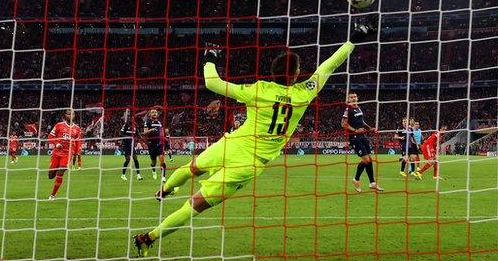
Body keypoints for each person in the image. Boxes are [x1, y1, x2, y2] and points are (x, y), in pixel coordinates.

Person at [132, 15, 380, 257]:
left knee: (191, 168)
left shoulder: (258, 89)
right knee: (194, 205)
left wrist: (209, 59)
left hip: (233, 143)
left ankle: (164, 189)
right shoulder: (303, 94)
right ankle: (149, 238)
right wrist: (355, 37)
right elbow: (329, 65)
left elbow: (212, 83)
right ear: (294, 76)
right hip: (248, 164)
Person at [341, 92, 383, 193]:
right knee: (366, 160)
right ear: (348, 99)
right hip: (354, 137)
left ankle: (372, 183)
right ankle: (356, 179)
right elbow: (343, 124)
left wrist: (370, 128)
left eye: (355, 96)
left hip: (363, 136)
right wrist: (355, 130)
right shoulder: (348, 109)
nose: (353, 98)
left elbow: (362, 121)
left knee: (370, 159)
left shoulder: (358, 108)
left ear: (357, 98)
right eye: (351, 97)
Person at [47, 109, 82, 200]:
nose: (71, 116)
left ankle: (52, 195)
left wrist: (77, 151)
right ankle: (55, 167)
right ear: (65, 115)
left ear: (74, 116)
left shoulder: (77, 129)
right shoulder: (59, 125)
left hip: (67, 153)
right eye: (69, 114)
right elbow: (50, 136)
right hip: (56, 153)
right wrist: (56, 143)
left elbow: (78, 141)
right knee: (51, 176)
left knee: (61, 171)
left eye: (73, 114)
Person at [142, 109, 167, 181]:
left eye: (155, 112)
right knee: (154, 162)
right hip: (151, 144)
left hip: (159, 144)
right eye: (152, 112)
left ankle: (163, 177)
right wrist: (151, 130)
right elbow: (144, 132)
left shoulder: (159, 122)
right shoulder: (147, 122)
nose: (154, 113)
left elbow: (161, 131)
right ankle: (153, 170)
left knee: (162, 160)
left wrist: (163, 137)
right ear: (150, 114)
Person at [120, 109, 143, 181]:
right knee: (128, 160)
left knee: (135, 158)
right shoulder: (126, 125)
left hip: (131, 145)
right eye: (131, 118)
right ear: (129, 119)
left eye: (133, 118)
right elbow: (120, 133)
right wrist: (127, 137)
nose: (132, 119)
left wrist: (144, 141)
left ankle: (138, 175)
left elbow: (138, 134)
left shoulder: (135, 126)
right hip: (125, 145)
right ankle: (123, 175)